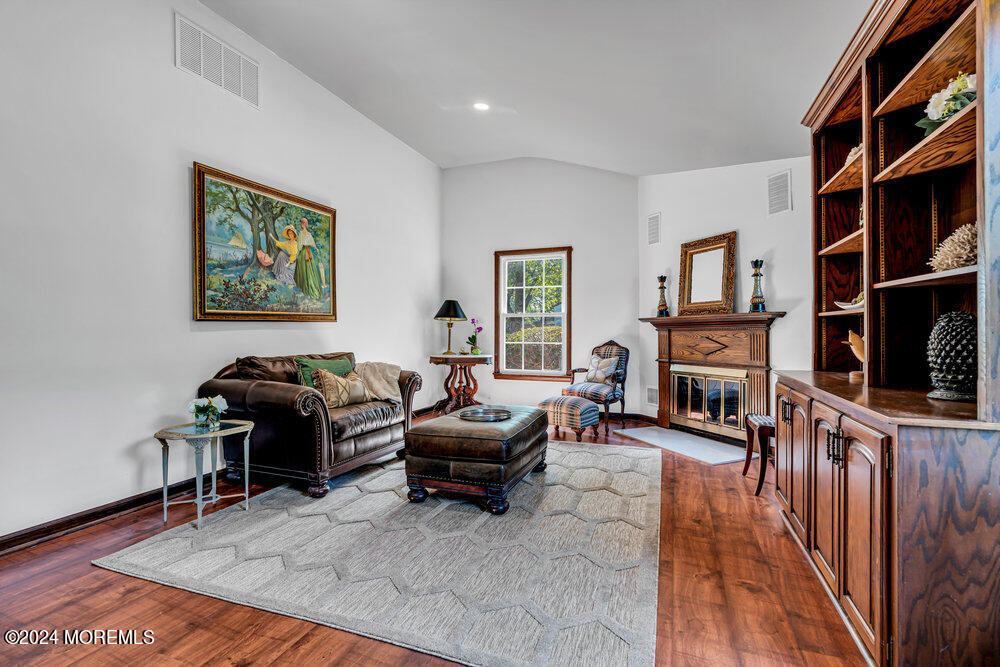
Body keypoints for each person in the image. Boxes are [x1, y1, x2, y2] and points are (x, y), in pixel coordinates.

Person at [293, 217, 322, 299]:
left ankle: (306, 287)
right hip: (308, 251)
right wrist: (316, 248)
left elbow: (299, 245)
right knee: (308, 269)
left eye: (301, 223)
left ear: (302, 224)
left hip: (304, 252)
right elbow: (313, 243)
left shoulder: (302, 233)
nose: (301, 225)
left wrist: (297, 252)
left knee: (304, 269)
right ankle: (308, 287)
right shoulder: (309, 234)